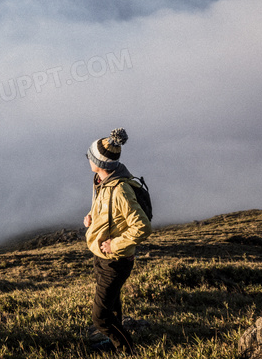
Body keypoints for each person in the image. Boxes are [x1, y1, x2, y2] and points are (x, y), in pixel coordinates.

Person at [83, 128, 151, 354]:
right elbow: (107, 212)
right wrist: (92, 219)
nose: (87, 159)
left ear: (99, 162)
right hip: (101, 257)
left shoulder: (120, 189)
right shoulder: (103, 180)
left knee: (100, 317)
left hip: (116, 259)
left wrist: (115, 245)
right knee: (112, 305)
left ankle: (128, 349)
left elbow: (142, 227)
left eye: (90, 156)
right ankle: (115, 344)